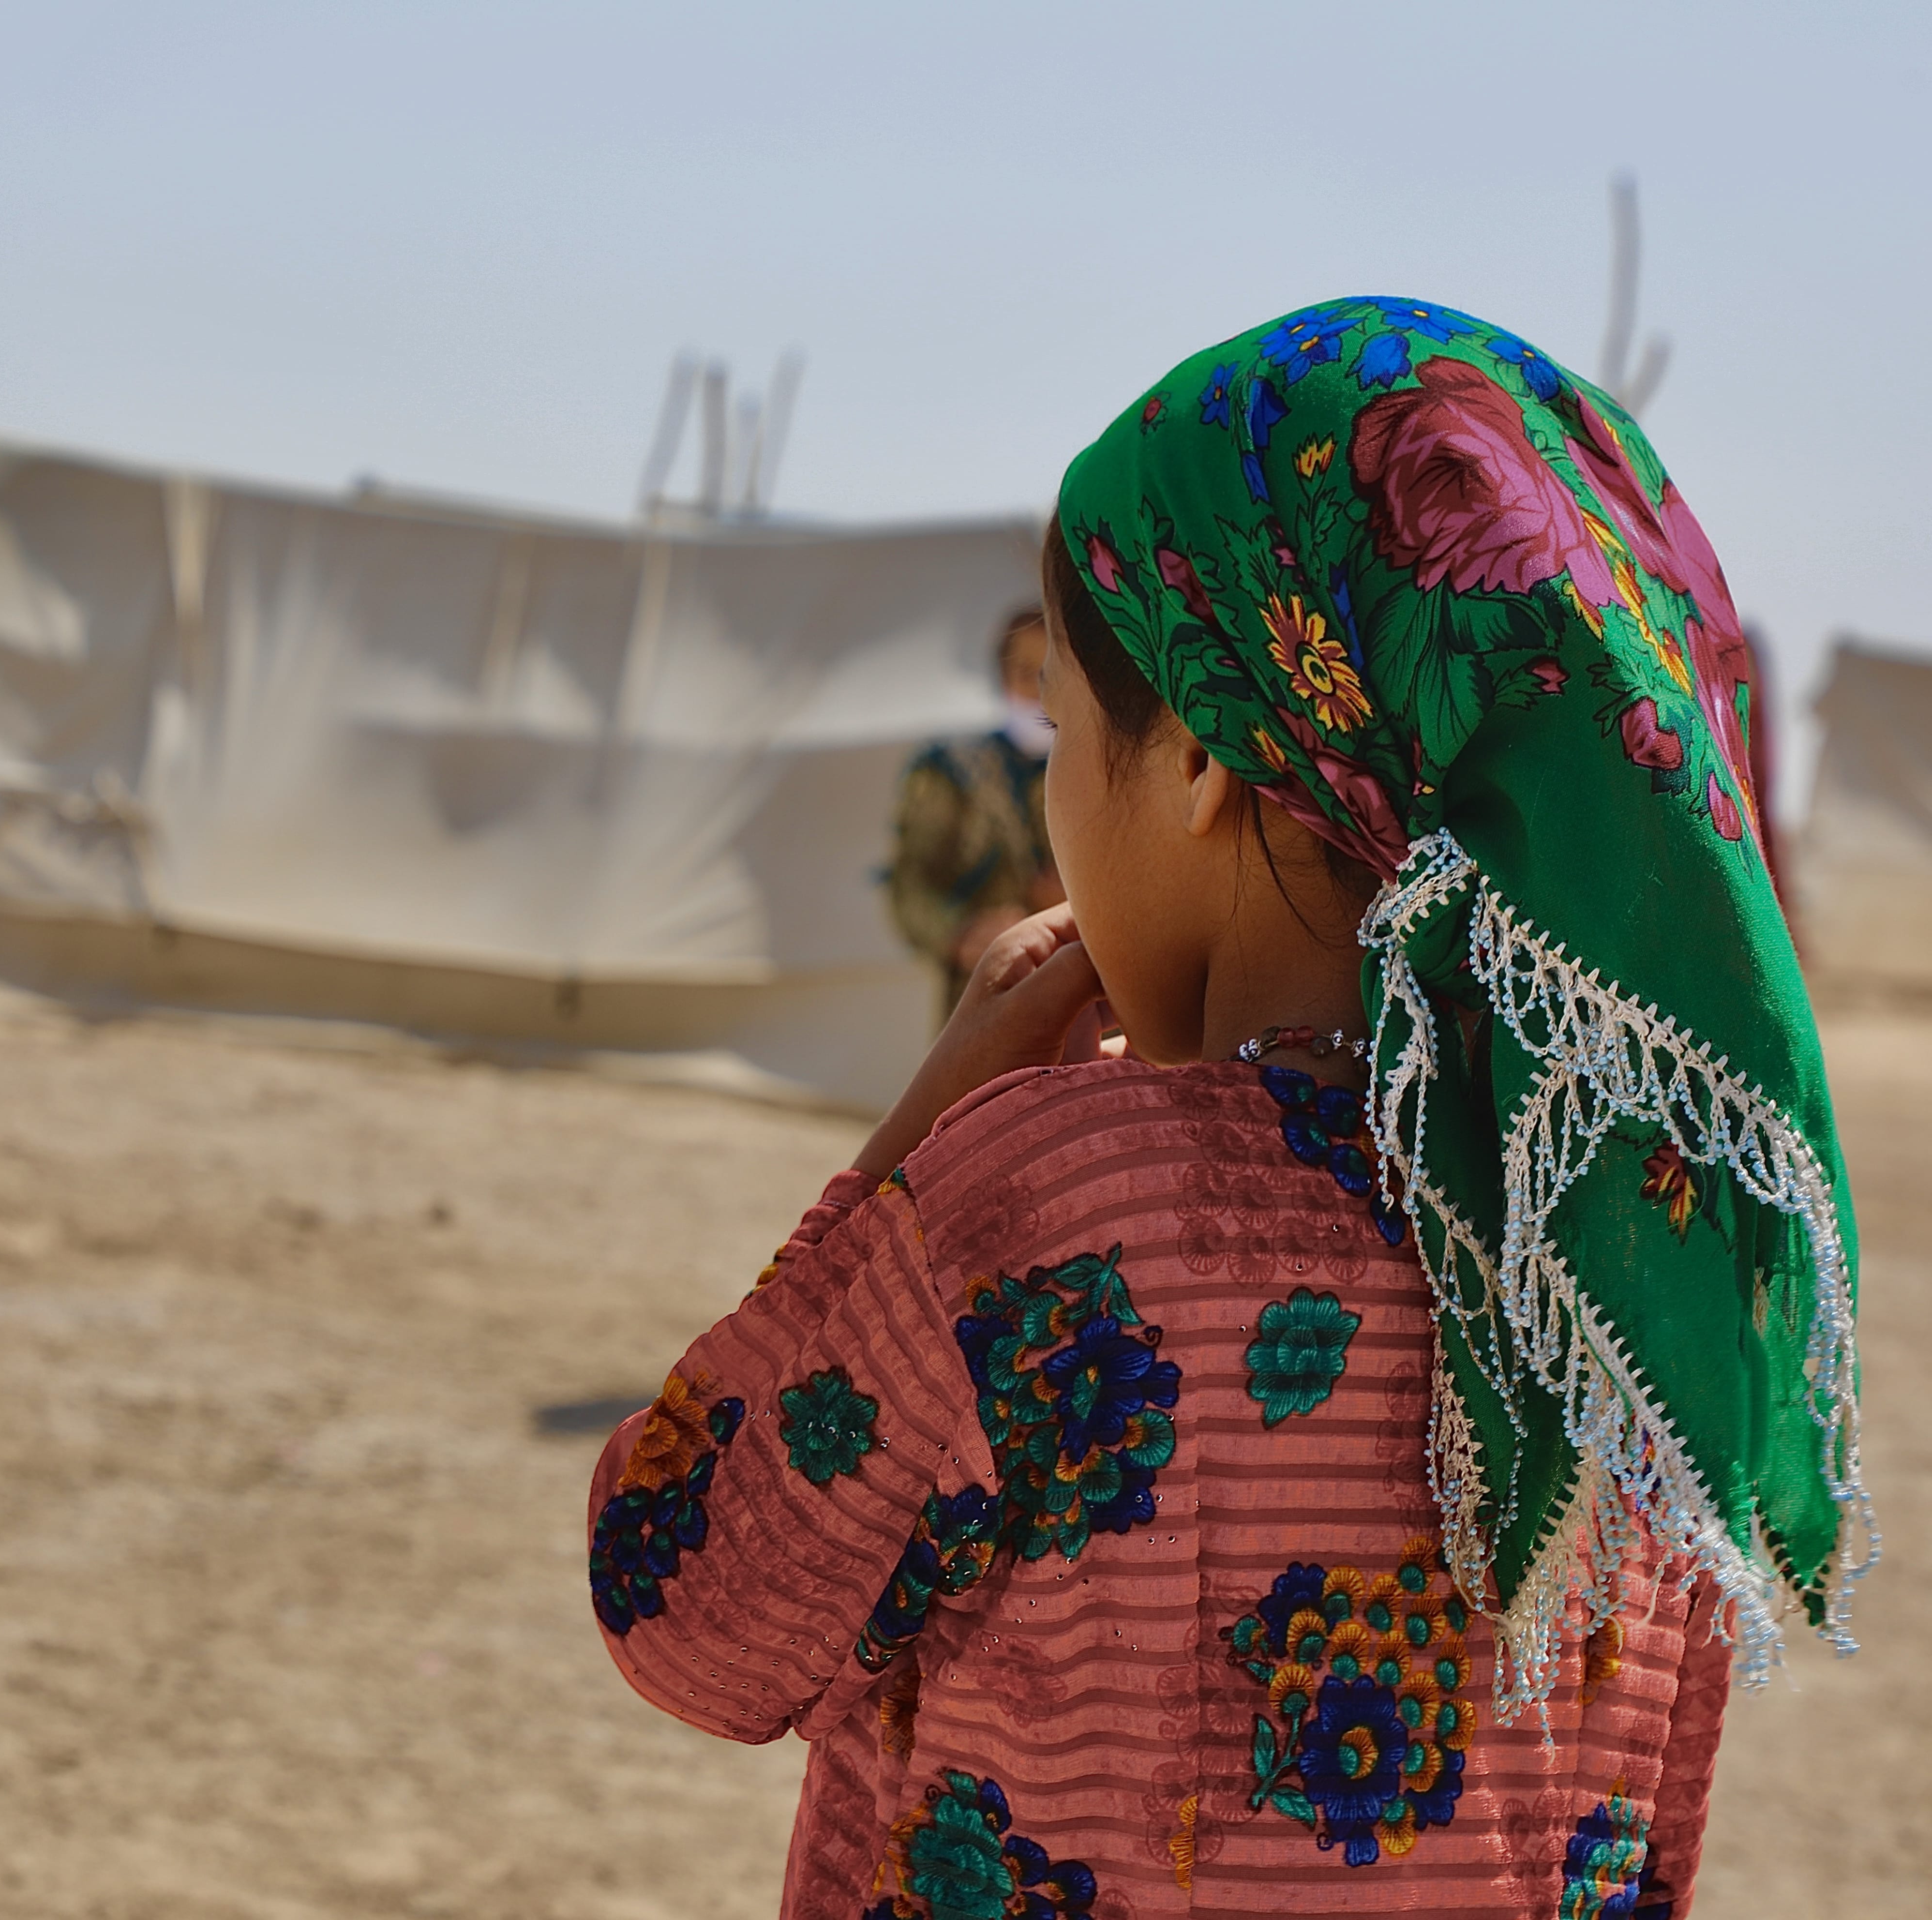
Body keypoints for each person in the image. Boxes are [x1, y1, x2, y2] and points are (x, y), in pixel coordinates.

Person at [585, 300, 1865, 1917]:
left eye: (1065, 724)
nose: (1053, 787)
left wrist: (914, 1143)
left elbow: (684, 1601)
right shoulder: (1649, 1261)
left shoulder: (1056, 1201)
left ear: (1196, 755)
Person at [884, 607, 1065, 1017]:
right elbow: (910, 886)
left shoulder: (1108, 770)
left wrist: (1079, 902)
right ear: (1002, 679)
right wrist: (963, 935)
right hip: (988, 1000)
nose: (1038, 693)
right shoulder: (951, 771)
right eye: (1025, 675)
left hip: (1095, 1000)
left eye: (1050, 675)